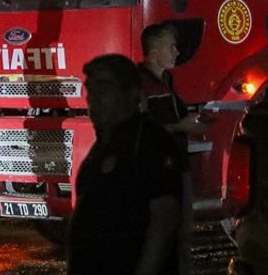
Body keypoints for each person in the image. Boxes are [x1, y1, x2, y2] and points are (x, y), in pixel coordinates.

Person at [69, 54, 185, 275]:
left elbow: (164, 220)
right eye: (90, 89)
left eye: (104, 89)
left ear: (131, 93)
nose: (94, 98)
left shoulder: (148, 142)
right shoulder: (101, 149)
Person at [139, 24, 209, 274]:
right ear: (154, 50)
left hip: (176, 168)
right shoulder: (139, 84)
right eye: (171, 46)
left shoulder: (166, 79)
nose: (177, 52)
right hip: (155, 174)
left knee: (181, 237)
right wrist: (181, 126)